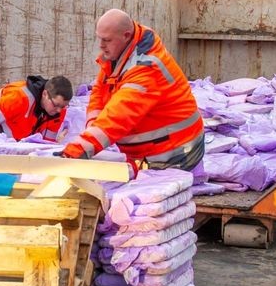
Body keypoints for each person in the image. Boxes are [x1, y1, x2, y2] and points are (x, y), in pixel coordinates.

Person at [60, 9, 204, 171]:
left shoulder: (147, 68)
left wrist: (78, 149)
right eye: (100, 38)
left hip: (174, 153)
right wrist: (92, 125)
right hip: (153, 150)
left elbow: (119, 115)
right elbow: (100, 90)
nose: (101, 45)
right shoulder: (122, 52)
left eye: (107, 40)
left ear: (126, 35)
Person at [0, 75, 73, 141]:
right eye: (56, 105)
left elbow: (48, 143)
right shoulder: (18, 98)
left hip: (17, 143)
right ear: (45, 94)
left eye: (63, 106)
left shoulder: (59, 111)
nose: (59, 110)